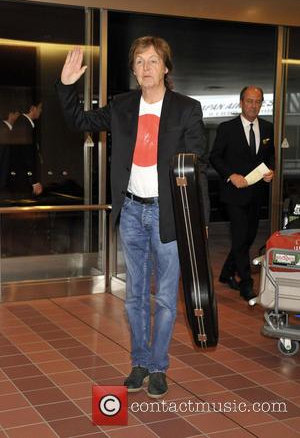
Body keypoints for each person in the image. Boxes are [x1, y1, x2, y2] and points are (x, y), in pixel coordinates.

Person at [56, 36, 209, 398]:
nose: (146, 68)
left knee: (166, 299)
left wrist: (197, 222)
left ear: (165, 68)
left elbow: (196, 166)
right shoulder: (122, 106)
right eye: (139, 61)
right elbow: (79, 120)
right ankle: (139, 362)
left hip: (168, 213)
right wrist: (65, 87)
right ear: (134, 69)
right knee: (135, 297)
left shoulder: (186, 109)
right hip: (131, 211)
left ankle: (158, 367)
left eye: (153, 61)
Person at [210, 86, 275, 301]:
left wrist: (270, 172)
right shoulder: (227, 128)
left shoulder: (267, 128)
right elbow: (215, 157)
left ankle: (226, 272)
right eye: (249, 101)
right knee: (240, 237)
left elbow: (270, 157)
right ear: (241, 102)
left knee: (247, 237)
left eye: (257, 102)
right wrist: (231, 175)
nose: (253, 106)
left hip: (256, 194)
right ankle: (246, 282)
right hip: (233, 194)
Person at [9, 102, 43, 197]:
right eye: (40, 108)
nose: (41, 111)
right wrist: (34, 181)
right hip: (24, 180)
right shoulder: (24, 125)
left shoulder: (24, 123)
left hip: (23, 178)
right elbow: (26, 155)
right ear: (33, 108)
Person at [0, 108, 20, 192]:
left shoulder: (11, 130)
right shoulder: (3, 130)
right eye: (18, 114)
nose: (19, 116)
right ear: (11, 114)